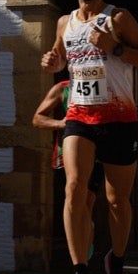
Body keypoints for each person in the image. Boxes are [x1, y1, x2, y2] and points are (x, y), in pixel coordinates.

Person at [41, 0, 138, 274]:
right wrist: (52, 62)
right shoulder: (64, 22)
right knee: (73, 187)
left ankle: (115, 264)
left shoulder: (119, 17)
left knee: (116, 201)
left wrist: (116, 47)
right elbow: (60, 57)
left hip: (120, 118)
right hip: (79, 116)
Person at [32, 78, 103, 259]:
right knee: (76, 196)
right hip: (68, 153)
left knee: (87, 199)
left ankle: (83, 252)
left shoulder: (106, 83)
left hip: (98, 150)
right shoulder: (62, 88)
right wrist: (64, 123)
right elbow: (37, 118)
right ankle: (81, 258)